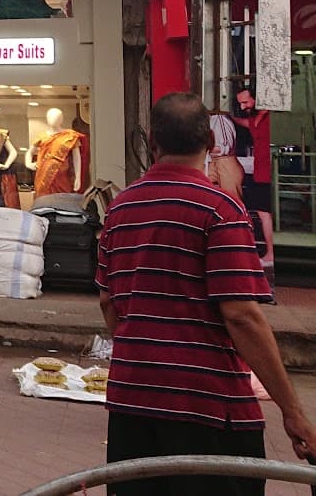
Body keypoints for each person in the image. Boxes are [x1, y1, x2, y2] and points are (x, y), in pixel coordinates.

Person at [97, 92, 314, 494]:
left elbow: (110, 304)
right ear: (211, 145)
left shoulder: (118, 210)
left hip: (132, 407)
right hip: (210, 412)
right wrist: (294, 412)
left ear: (153, 142)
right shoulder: (221, 210)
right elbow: (242, 316)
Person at [232, 88, 273, 215]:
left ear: (256, 99)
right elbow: (247, 123)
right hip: (260, 173)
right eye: (240, 104)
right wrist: (229, 116)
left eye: (245, 102)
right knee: (263, 213)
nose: (242, 107)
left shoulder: (268, 118)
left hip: (268, 172)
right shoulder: (256, 120)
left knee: (264, 213)